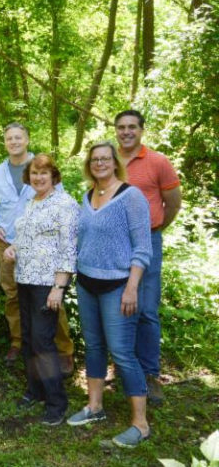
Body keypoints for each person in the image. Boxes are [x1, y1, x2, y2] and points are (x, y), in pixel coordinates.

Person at [67, 142, 152, 448]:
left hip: (118, 286)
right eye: (94, 159)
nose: (100, 163)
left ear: (115, 162)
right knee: (93, 347)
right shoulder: (87, 196)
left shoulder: (131, 196)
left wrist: (132, 287)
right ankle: (95, 406)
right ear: (89, 165)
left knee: (123, 353)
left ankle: (140, 424)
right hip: (87, 284)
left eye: (105, 158)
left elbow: (143, 248)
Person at [0, 123, 74, 373]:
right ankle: (19, 342)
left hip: (42, 246)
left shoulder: (41, 166)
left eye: (18, 137)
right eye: (9, 138)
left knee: (51, 298)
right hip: (7, 246)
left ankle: (64, 350)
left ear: (27, 139)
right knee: (13, 296)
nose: (14, 142)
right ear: (5, 143)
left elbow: (59, 203)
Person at [3, 154, 79, 426]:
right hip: (24, 279)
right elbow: (27, 239)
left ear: (53, 176)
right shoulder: (32, 202)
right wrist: (14, 248)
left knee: (44, 342)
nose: (38, 177)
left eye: (44, 173)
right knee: (27, 338)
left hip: (47, 284)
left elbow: (69, 248)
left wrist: (59, 287)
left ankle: (57, 402)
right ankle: (34, 390)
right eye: (34, 173)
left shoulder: (64, 204)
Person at [115, 110, 181, 405]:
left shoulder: (158, 162)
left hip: (148, 242)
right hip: (115, 245)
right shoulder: (110, 161)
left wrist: (153, 229)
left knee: (147, 309)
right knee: (120, 306)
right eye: (121, 127)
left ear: (141, 130)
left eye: (132, 127)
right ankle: (124, 369)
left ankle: (150, 374)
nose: (126, 132)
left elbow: (173, 202)